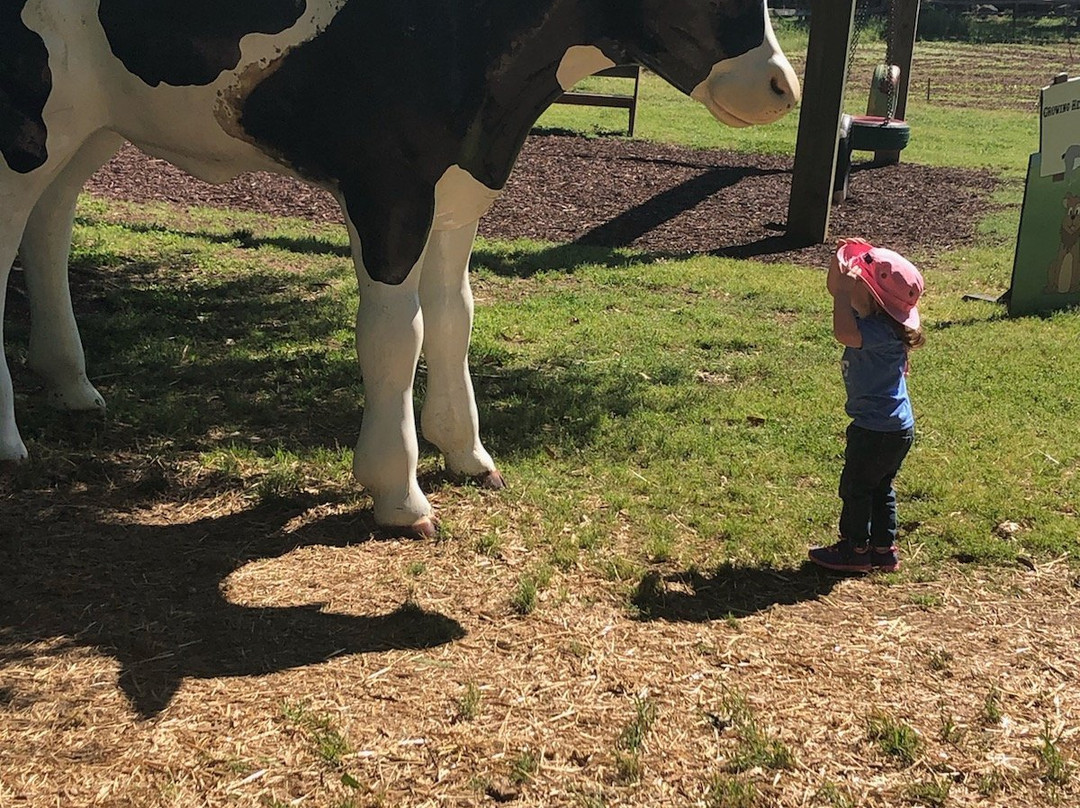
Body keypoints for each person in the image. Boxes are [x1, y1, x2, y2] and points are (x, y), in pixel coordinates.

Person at [809, 238, 925, 573]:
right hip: (895, 429)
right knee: (880, 487)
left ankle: (855, 549)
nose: (850, 289)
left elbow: (843, 332)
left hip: (875, 429)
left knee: (856, 488)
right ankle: (883, 550)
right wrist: (841, 262)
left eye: (859, 285)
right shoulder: (888, 327)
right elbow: (836, 290)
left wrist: (846, 291)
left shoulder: (876, 332)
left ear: (873, 298)